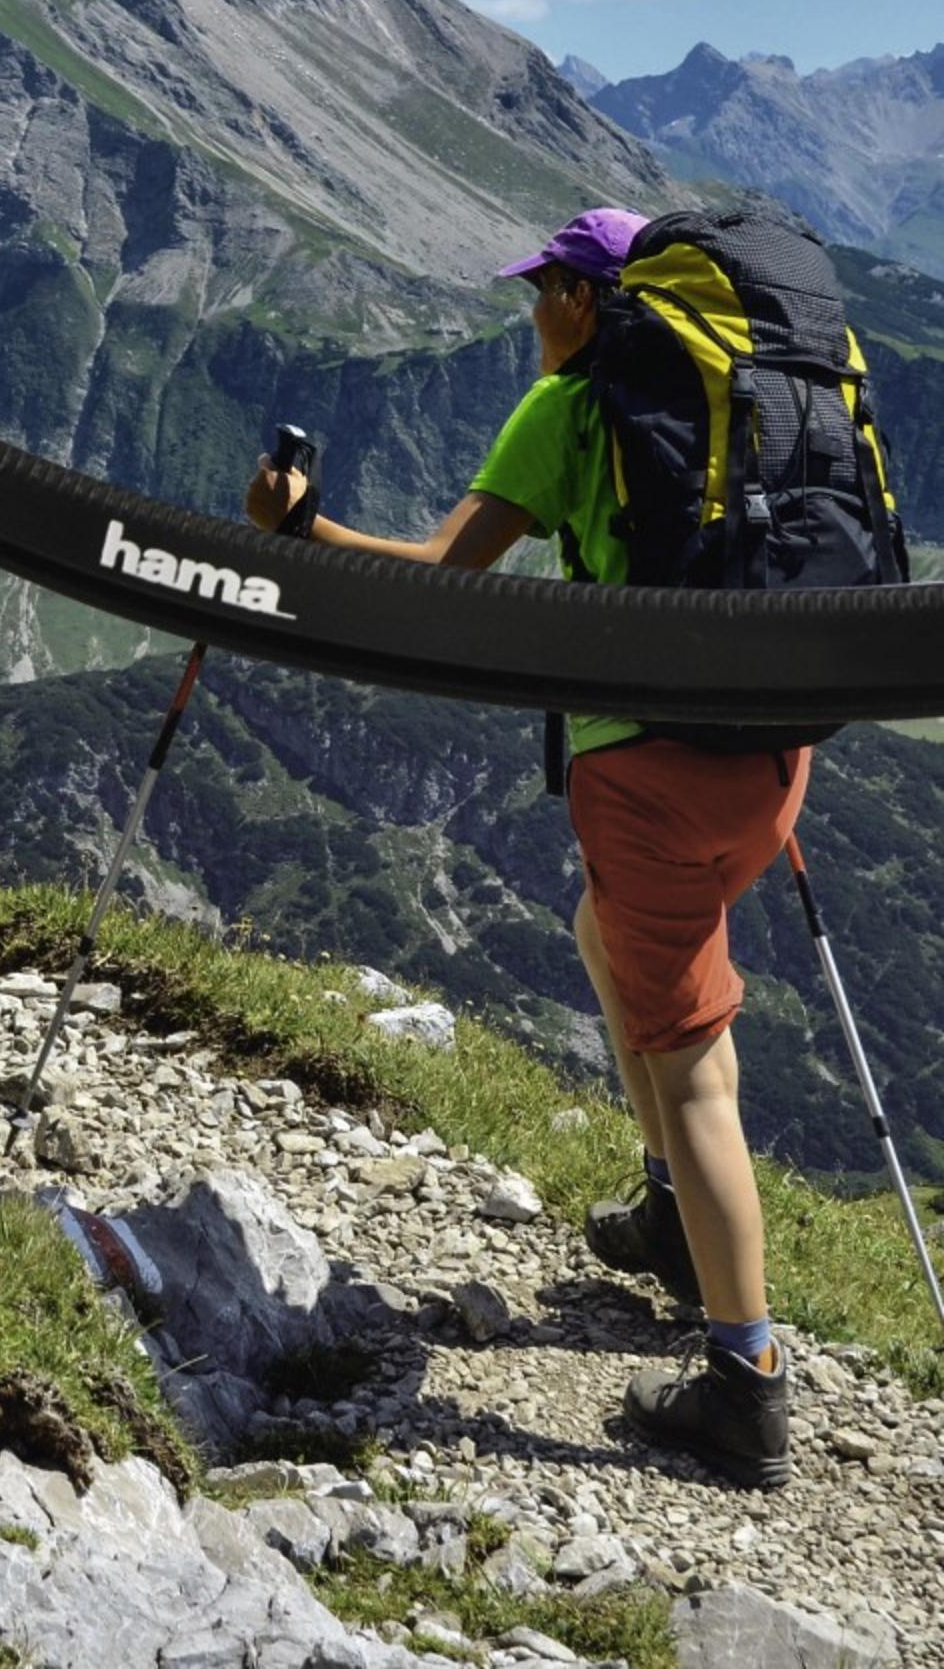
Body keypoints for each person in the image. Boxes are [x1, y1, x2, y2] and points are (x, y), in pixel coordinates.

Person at [245, 206, 799, 1490]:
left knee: (694, 1063)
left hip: (647, 771)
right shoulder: (744, 399)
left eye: (541, 290)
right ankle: (666, 1210)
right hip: (773, 751)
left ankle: (744, 1379)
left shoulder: (570, 409)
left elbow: (437, 575)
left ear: (585, 300)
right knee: (609, 937)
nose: (530, 314)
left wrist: (297, 529)